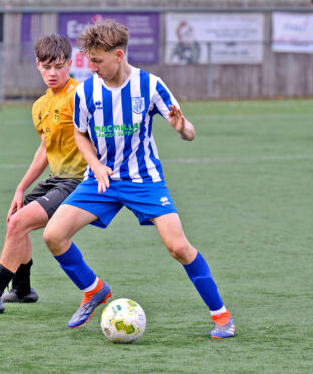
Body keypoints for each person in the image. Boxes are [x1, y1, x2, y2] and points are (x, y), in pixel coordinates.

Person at [43, 20, 235, 339]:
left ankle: (222, 316)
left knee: (178, 247)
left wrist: (181, 128)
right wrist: (96, 165)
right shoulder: (86, 91)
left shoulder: (150, 85)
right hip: (101, 181)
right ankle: (93, 289)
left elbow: (189, 132)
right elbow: (80, 134)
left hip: (144, 180)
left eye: (98, 61)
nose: (92, 68)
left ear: (118, 55)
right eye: (90, 61)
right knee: (53, 235)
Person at [0, 34, 87, 315]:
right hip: (56, 180)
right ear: (37, 65)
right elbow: (44, 149)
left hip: (78, 182)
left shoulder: (80, 96)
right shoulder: (40, 105)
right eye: (47, 66)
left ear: (69, 64)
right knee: (16, 221)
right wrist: (20, 188)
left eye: (58, 66)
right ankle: (22, 289)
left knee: (19, 223)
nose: (52, 73)